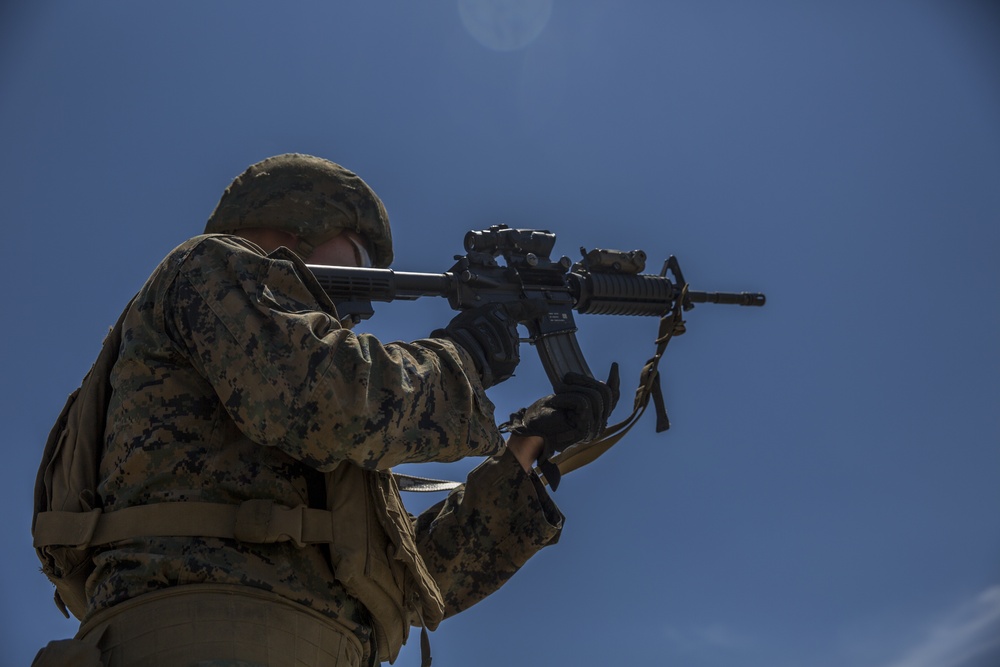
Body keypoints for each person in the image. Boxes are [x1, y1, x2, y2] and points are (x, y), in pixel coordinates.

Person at [34, 153, 617, 667]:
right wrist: (459, 359)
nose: (357, 305)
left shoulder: (313, 413)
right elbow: (325, 400)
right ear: (296, 225)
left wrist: (524, 454)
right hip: (205, 638)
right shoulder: (209, 268)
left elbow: (412, 585)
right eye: (356, 259)